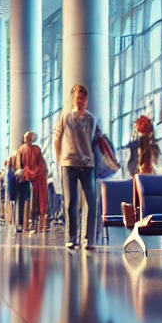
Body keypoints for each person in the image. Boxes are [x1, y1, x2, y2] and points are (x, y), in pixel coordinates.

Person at [53, 83, 103, 250]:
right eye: (77, 97)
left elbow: (98, 141)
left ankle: (88, 239)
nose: (80, 101)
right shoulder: (65, 117)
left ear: (86, 100)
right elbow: (56, 138)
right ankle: (71, 238)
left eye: (83, 98)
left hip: (87, 165)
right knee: (70, 203)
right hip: (69, 164)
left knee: (91, 202)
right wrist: (61, 157)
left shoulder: (92, 119)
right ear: (72, 99)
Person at [16, 131, 48, 235]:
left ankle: (26, 223)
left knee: (30, 200)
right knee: (28, 200)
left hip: (30, 177)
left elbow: (18, 166)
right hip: (31, 178)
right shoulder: (26, 150)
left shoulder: (32, 149)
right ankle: (26, 222)